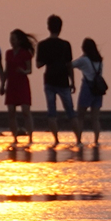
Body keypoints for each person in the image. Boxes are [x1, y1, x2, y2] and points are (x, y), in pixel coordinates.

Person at [36, 15, 76, 146]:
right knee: (70, 111)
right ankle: (78, 140)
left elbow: (39, 64)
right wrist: (73, 82)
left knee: (51, 111)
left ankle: (56, 140)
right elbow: (69, 65)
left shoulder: (42, 45)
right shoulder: (65, 45)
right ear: (61, 28)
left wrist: (48, 59)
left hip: (49, 79)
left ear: (48, 27)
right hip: (63, 80)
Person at [3, 29, 36, 145]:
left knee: (26, 111)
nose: (11, 41)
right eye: (10, 39)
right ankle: (15, 138)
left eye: (13, 39)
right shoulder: (8, 53)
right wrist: (2, 85)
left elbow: (30, 70)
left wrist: (23, 71)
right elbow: (6, 70)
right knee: (11, 112)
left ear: (19, 40)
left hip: (22, 83)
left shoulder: (25, 53)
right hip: (11, 84)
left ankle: (30, 137)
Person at [72, 37, 104, 148]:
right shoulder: (99, 60)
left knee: (80, 116)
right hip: (98, 90)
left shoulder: (84, 60)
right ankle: (96, 140)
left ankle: (79, 140)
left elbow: (71, 64)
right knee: (95, 118)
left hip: (87, 88)